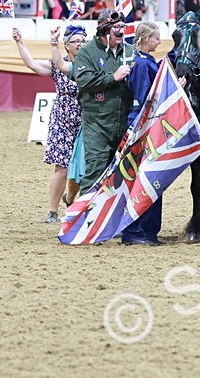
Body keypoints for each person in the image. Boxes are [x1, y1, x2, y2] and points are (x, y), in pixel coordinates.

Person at [14, 25, 86, 224]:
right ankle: (53, 211)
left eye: (83, 41)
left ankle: (70, 199)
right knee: (61, 167)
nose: (81, 44)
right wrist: (20, 42)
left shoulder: (91, 64)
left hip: (85, 120)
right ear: (67, 45)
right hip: (62, 120)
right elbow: (31, 64)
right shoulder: (57, 64)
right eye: (76, 41)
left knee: (80, 170)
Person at [71, 12, 133, 191]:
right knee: (95, 172)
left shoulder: (129, 51)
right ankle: (84, 218)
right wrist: (113, 77)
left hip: (125, 122)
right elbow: (83, 80)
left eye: (123, 27)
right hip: (97, 124)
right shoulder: (87, 52)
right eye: (116, 28)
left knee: (124, 175)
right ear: (104, 30)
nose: (121, 32)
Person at [118, 22, 167, 245]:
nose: (159, 41)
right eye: (156, 38)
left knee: (149, 178)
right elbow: (146, 97)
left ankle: (147, 231)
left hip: (148, 124)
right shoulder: (141, 65)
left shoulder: (146, 62)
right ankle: (135, 231)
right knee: (142, 179)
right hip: (143, 126)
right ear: (147, 39)